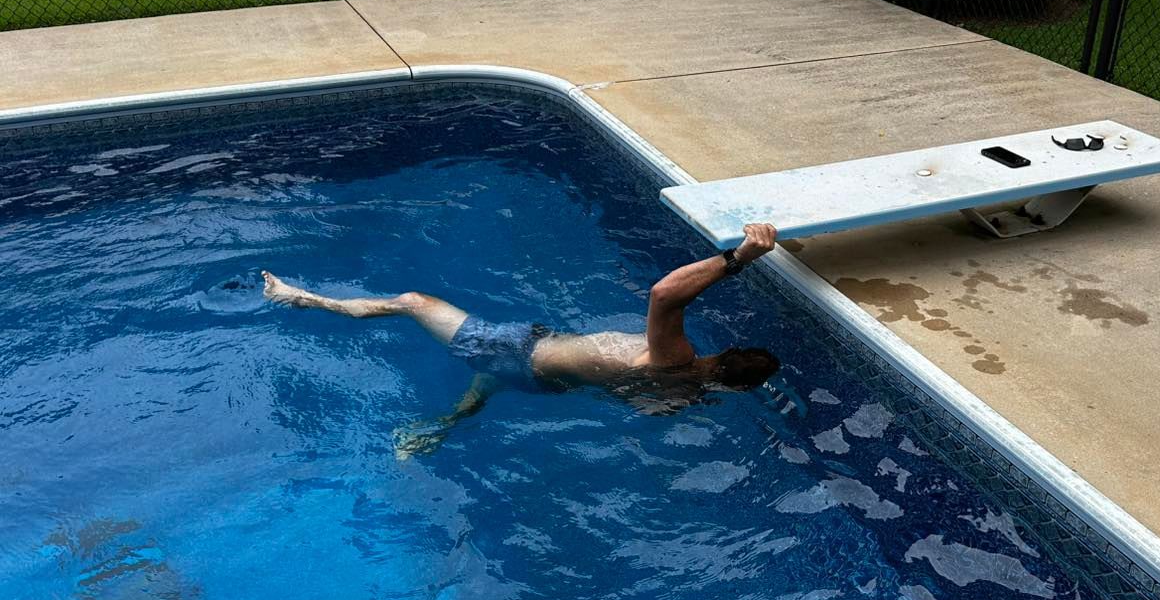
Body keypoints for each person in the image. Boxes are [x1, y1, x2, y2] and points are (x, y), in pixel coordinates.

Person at [262, 222, 782, 457]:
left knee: (412, 301)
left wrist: (740, 257)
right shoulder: (684, 395)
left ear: (726, 353)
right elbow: (634, 403)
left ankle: (303, 299)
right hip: (542, 376)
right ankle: (437, 430)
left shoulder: (676, 359)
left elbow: (665, 294)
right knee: (493, 381)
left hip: (515, 350)